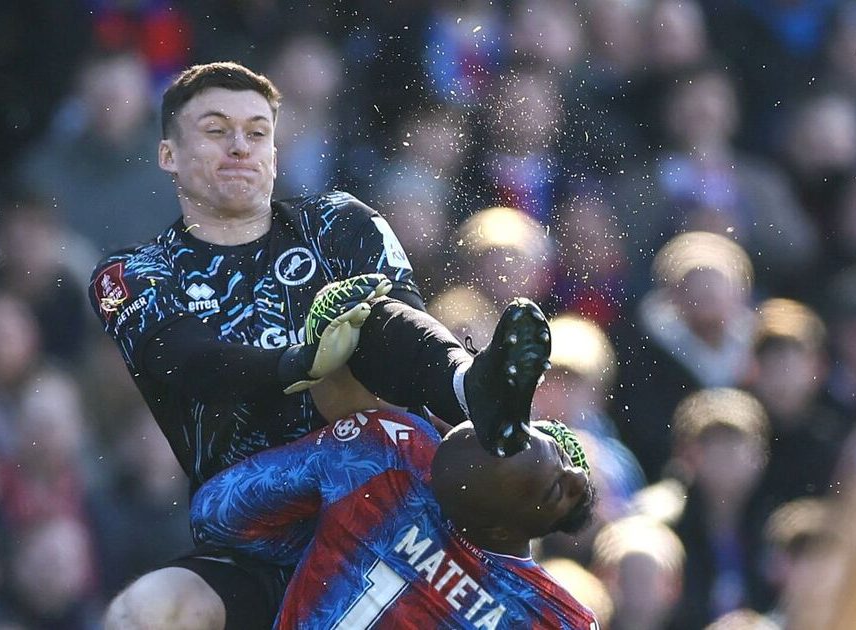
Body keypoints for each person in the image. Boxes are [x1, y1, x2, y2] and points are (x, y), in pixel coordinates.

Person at [91, 61, 554, 628]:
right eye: (216, 130)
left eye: (257, 132)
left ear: (276, 152)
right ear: (168, 155)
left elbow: (396, 330)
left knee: (366, 323)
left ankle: (472, 384)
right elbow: (187, 362)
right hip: (254, 536)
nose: (240, 146)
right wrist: (299, 363)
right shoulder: (134, 270)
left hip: (389, 521)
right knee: (141, 613)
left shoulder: (338, 221)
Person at [190, 409, 600, 629]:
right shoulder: (555, 620)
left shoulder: (385, 452)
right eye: (557, 482)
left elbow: (215, 514)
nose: (579, 474)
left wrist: (330, 548)